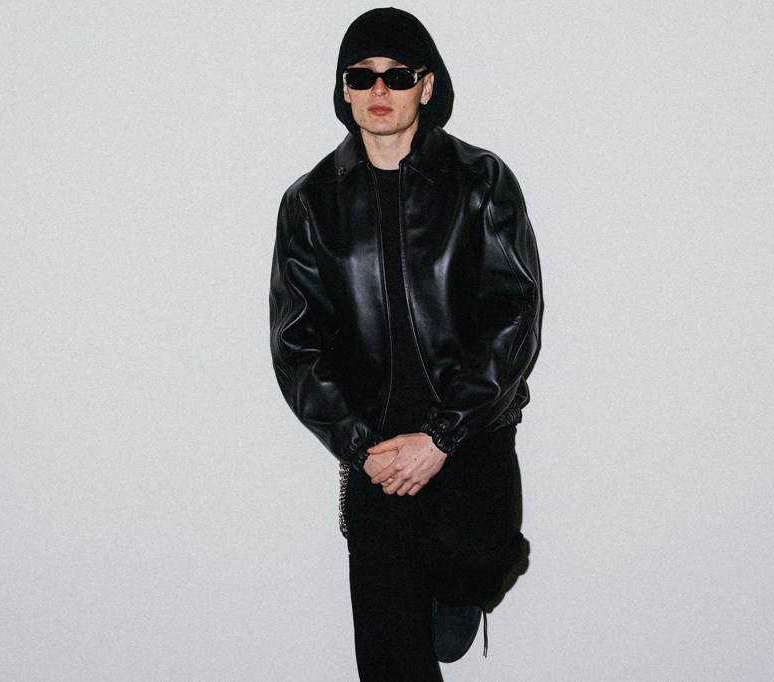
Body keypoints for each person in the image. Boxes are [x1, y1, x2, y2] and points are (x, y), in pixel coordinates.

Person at [269, 8, 542, 680]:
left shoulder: (481, 180)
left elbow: (514, 312)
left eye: (397, 75)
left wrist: (444, 434)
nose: (379, 90)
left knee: (474, 561)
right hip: (377, 445)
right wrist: (360, 445)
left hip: (471, 424)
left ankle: (453, 593)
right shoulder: (310, 202)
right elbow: (298, 342)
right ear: (344, 90)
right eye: (361, 76)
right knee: (390, 652)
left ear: (426, 85)